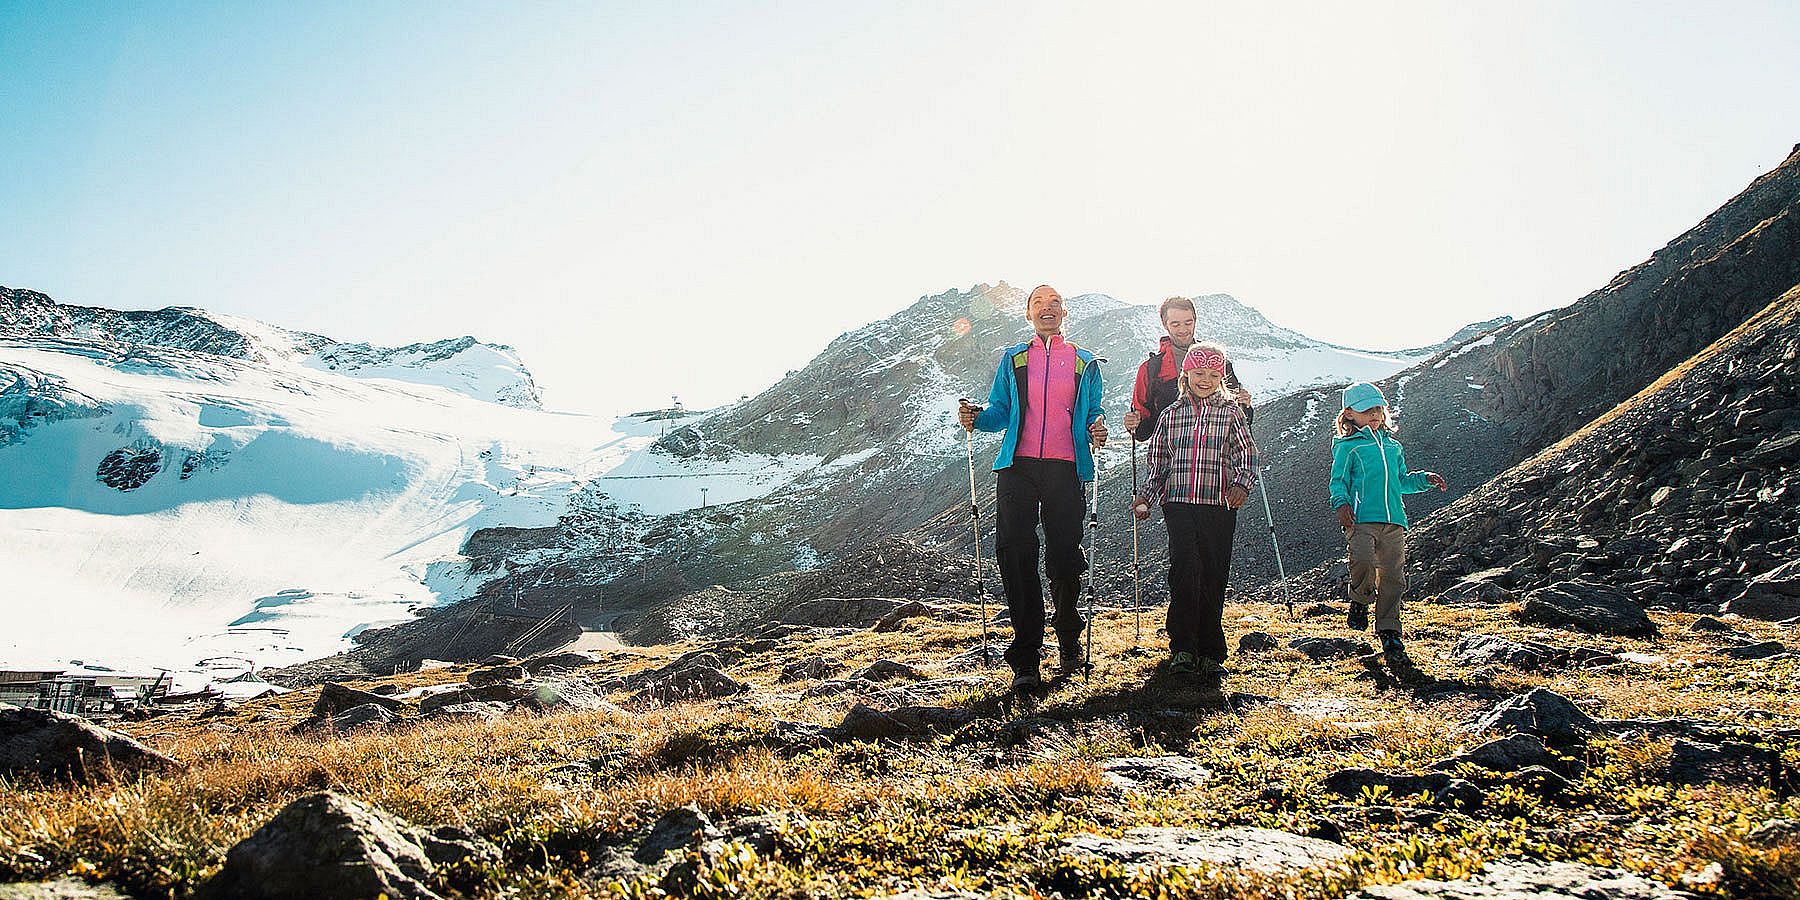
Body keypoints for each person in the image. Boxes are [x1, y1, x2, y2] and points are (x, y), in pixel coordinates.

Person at [959, 285, 1107, 690]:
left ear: (1064, 312)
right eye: (1039, 304)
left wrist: (1097, 427)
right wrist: (976, 418)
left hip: (1065, 467)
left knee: (1063, 556)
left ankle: (1069, 639)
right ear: (1028, 313)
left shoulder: (1084, 362)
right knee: (1016, 552)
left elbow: (1093, 410)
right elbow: (1000, 413)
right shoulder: (1014, 359)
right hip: (1018, 467)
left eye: (1055, 303)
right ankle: (1026, 656)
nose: (1048, 309)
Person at [1130, 343, 1257, 678]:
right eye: (1199, 373)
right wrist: (1146, 498)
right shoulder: (1171, 414)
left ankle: (1212, 652)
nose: (1206, 379)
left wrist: (1242, 484)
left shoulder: (1232, 413)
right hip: (1180, 503)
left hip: (1219, 504)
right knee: (1185, 570)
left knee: (1214, 572)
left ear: (1222, 377)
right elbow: (1158, 463)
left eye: (1214, 374)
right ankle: (1183, 649)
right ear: (1186, 374)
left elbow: (1248, 454)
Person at [1328, 382, 1448, 665]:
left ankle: (1390, 631)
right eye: (1366, 410)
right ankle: (1360, 600)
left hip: (1394, 519)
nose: (1374, 415)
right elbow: (1338, 481)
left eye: (1378, 409)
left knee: (1394, 576)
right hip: (1360, 518)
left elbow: (1402, 480)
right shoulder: (1348, 448)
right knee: (1363, 561)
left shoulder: (1393, 447)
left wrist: (1424, 479)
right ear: (1348, 414)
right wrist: (1341, 504)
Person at [1122, 296, 1253, 442]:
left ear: (1195, 321)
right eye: (1175, 324)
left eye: (1188, 323)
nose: (1183, 329)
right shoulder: (1151, 369)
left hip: (1217, 453)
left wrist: (1245, 405)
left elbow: (1240, 416)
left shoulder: (1216, 360)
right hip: (1173, 456)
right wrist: (1134, 423)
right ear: (1165, 325)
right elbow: (1142, 432)